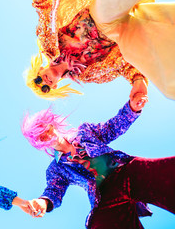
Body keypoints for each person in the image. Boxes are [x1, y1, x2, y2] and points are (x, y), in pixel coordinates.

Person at [21, 93, 175, 228]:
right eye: (42, 136)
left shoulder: (85, 131)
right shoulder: (56, 169)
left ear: (53, 125)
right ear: (40, 143)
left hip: (125, 171)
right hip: (104, 195)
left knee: (168, 173)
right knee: (100, 224)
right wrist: (43, 202)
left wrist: (132, 109)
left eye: (47, 129)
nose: (48, 135)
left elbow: (112, 128)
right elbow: (54, 190)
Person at [25, 0, 175, 100]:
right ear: (54, 87)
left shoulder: (48, 42)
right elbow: (122, 66)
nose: (43, 82)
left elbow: (44, 6)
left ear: (40, 69)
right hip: (120, 35)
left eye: (38, 80)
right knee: (168, 84)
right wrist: (138, 81)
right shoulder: (89, 75)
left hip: (98, 18)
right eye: (45, 88)